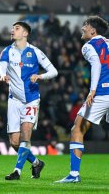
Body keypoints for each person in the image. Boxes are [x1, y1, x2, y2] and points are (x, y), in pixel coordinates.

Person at [0, 21, 58, 180]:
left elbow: (53, 71)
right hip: (14, 100)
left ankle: (17, 171)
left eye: (16, 28)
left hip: (31, 99)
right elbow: (2, 66)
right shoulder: (7, 51)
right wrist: (2, 74)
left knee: (25, 136)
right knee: (14, 142)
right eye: (12, 28)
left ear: (25, 33)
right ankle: (37, 163)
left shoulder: (35, 52)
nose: (12, 30)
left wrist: (40, 76)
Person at [56, 16, 109, 183]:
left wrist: (92, 90)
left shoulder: (89, 46)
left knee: (77, 129)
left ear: (93, 31)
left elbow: (96, 65)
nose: (82, 28)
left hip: (102, 93)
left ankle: (73, 175)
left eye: (85, 25)